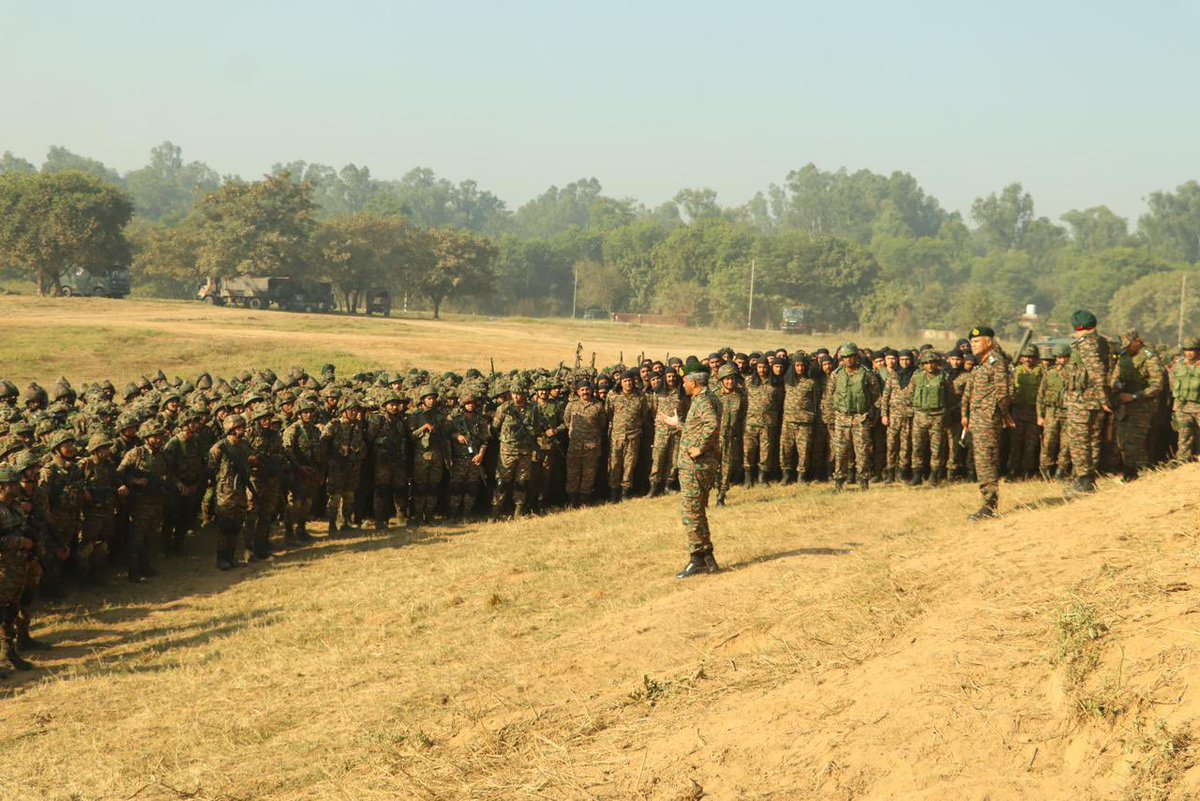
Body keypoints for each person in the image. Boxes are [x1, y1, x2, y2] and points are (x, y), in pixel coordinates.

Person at [660, 364, 720, 579]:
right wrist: (679, 424)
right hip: (699, 465)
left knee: (691, 512)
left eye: (685, 381)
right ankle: (708, 558)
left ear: (693, 382)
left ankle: (697, 559)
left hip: (696, 466)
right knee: (698, 511)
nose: (683, 384)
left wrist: (700, 448)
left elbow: (711, 425)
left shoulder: (703, 400)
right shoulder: (707, 398)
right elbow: (699, 427)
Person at [963, 326, 1013, 520]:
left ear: (989, 342)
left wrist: (1004, 414)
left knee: (987, 461)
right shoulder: (982, 363)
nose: (972, 345)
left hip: (988, 419)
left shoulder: (995, 362)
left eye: (977, 341)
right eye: (972, 342)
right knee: (982, 461)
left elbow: (1003, 393)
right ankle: (987, 502)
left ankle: (989, 505)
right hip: (980, 419)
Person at [1064, 310, 1111, 495]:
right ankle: (1086, 479)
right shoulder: (1101, 342)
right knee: (1090, 441)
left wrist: (1102, 397)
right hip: (1091, 401)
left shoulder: (1086, 344)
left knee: (1079, 442)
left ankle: (1084, 481)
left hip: (1083, 401)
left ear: (1078, 327)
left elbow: (1097, 371)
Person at [1111, 329, 1164, 481]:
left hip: (1142, 406)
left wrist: (1134, 396)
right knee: (1121, 441)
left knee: (1134, 441)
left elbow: (1157, 385)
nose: (1127, 348)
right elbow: (1115, 377)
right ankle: (1129, 471)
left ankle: (1131, 474)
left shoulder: (1149, 358)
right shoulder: (1123, 356)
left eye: (1129, 345)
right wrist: (1116, 385)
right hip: (1123, 404)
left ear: (1138, 341)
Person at [1036, 344, 1072, 480]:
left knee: (1066, 445)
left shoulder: (1073, 373)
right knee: (1048, 443)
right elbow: (1040, 396)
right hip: (1051, 412)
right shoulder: (1049, 374)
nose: (1062, 360)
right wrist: (1040, 415)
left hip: (1068, 414)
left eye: (1064, 358)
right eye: (1059, 358)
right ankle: (1045, 471)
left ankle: (1061, 472)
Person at [1171, 338, 1200, 461]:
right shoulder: (1178, 367)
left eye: (1192, 350)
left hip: (1198, 405)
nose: (1189, 353)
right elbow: (1172, 384)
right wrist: (1176, 404)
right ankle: (1183, 460)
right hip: (1182, 406)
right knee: (1184, 435)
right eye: (1186, 350)